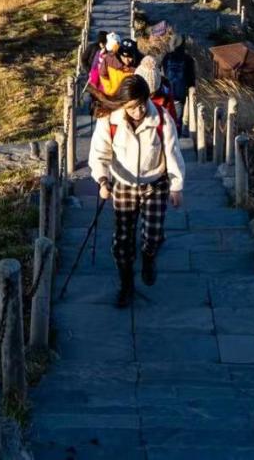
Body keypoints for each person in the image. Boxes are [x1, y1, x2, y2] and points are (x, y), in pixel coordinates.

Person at [89, 74, 185, 307]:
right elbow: (99, 153)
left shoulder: (162, 118)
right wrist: (102, 180)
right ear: (123, 103)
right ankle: (126, 283)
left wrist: (176, 186)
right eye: (132, 107)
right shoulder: (109, 121)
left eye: (142, 104)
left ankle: (149, 257)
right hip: (124, 183)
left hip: (156, 182)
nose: (138, 111)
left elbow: (172, 153)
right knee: (123, 238)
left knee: (153, 234)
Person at [162, 37, 195, 120]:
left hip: (166, 95)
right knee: (177, 120)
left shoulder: (166, 57)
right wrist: (191, 90)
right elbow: (191, 79)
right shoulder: (188, 59)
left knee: (166, 119)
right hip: (179, 96)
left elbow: (161, 71)